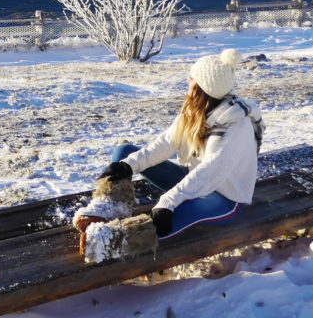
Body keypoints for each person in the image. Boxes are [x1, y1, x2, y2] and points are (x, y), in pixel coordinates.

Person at [85, 48, 263, 239]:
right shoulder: (196, 110)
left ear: (203, 87)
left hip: (223, 197)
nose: (188, 81)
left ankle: (115, 242)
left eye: (192, 78)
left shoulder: (237, 124)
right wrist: (129, 165)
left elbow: (211, 171)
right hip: (192, 179)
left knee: (161, 223)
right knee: (124, 153)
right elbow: (165, 144)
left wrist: (168, 202)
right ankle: (108, 208)